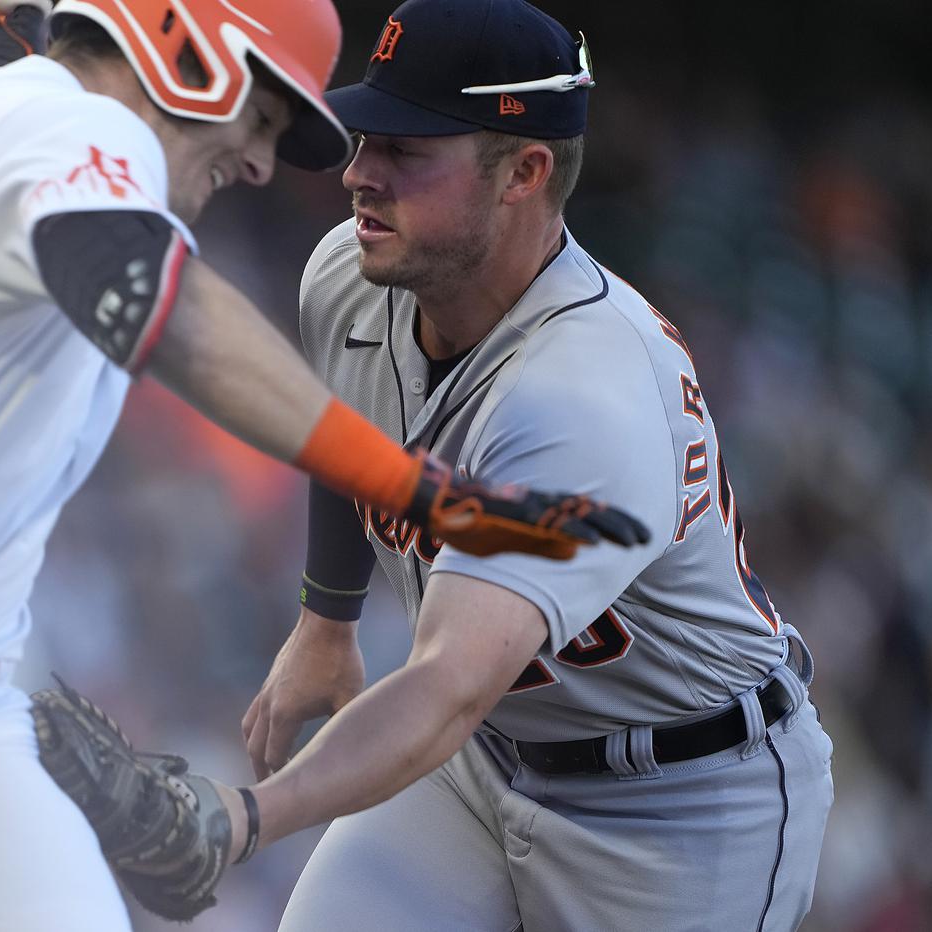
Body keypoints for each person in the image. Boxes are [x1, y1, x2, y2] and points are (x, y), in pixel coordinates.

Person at [0, 1, 648, 930]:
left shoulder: (35, 120)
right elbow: (172, 314)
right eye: (263, 112)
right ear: (185, 49)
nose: (257, 159)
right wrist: (420, 489)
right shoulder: (69, 123)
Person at [234, 0, 835, 929]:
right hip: (484, 761)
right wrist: (326, 619)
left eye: (405, 149)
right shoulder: (352, 272)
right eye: (364, 136)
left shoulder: (581, 392)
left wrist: (243, 819)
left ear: (524, 170)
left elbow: (442, 687)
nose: (358, 173)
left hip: (682, 806)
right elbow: (344, 429)